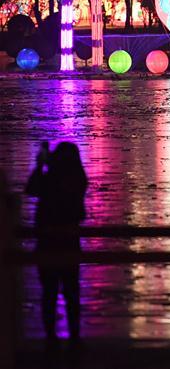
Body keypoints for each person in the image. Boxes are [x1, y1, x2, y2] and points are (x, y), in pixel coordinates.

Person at [25, 141, 87, 356]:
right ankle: (75, 337)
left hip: (47, 243)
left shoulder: (49, 180)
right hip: (70, 242)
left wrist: (40, 164)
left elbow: (31, 188)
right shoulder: (79, 179)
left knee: (49, 293)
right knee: (71, 292)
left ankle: (51, 338)